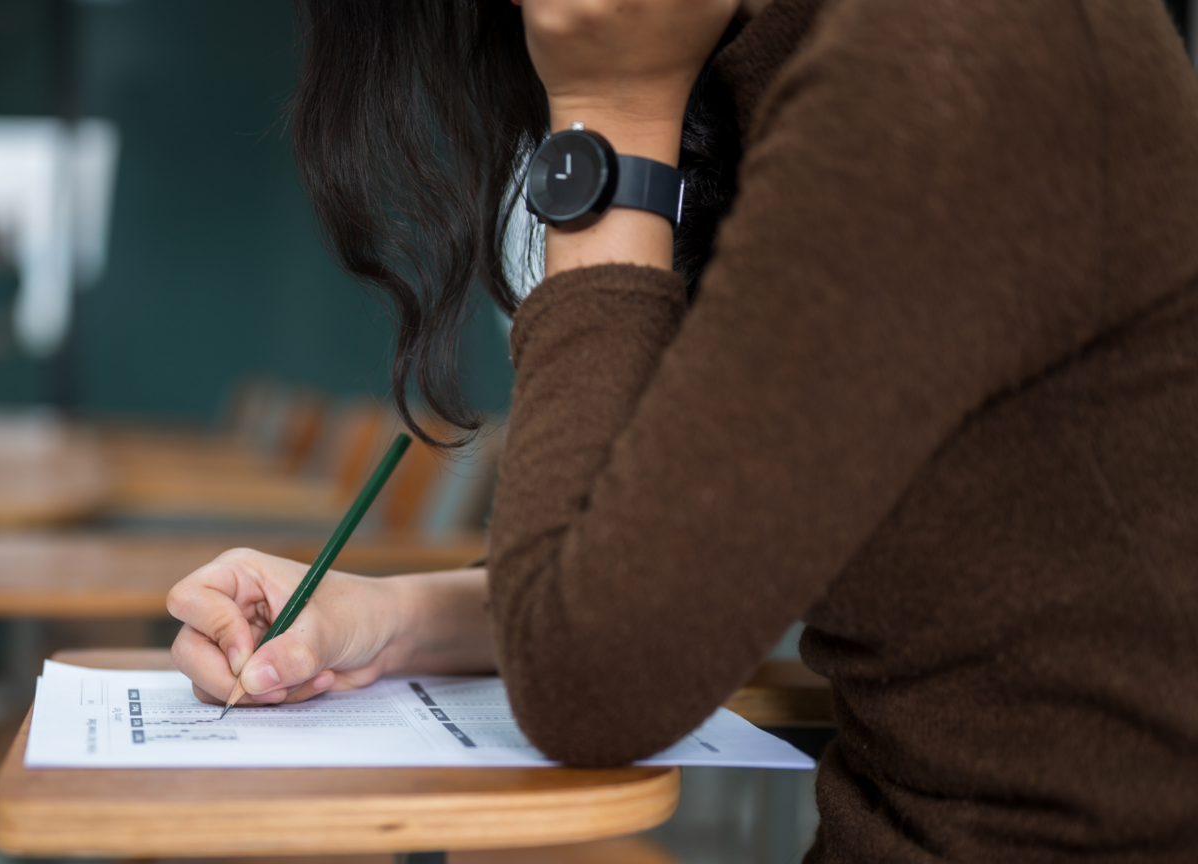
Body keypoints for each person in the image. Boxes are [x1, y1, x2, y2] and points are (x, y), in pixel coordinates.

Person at [168, 0, 1198, 860]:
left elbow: (593, 680)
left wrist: (612, 122)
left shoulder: (945, 44)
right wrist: (391, 621)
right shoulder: (779, 57)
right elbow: (668, 561)